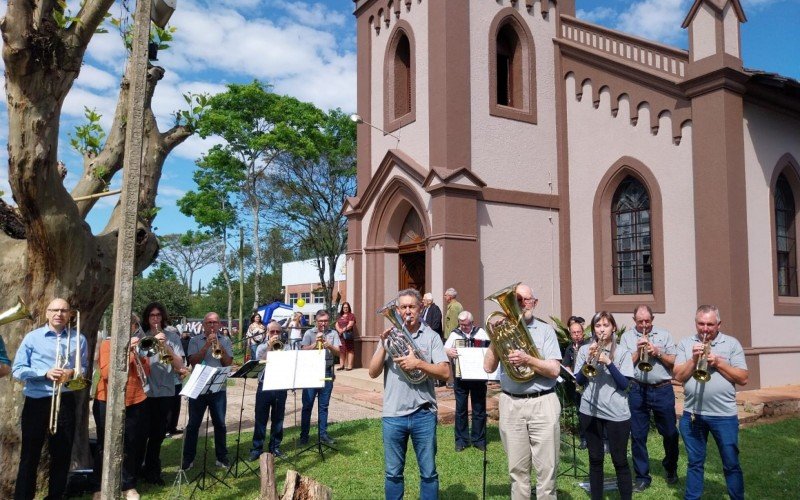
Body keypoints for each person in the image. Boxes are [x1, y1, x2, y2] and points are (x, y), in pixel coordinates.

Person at [368, 288, 450, 500]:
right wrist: (383, 347)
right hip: (393, 414)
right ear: (397, 310)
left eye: (412, 307)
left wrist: (418, 363)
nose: (407, 311)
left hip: (424, 413)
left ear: (420, 308)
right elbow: (372, 372)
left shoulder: (431, 336)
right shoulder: (390, 336)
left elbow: (445, 372)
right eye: (403, 307)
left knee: (429, 473)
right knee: (393, 474)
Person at [483, 284, 561, 500]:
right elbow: (488, 367)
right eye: (517, 300)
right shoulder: (503, 330)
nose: (522, 304)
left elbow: (554, 369)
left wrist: (528, 360)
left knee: (547, 470)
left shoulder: (546, 331)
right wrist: (495, 339)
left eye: (527, 300)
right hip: (511, 404)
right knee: (517, 471)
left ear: (534, 303)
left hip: (543, 402)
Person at [12, 298, 88, 500]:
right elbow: (17, 370)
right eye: (54, 310)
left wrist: (72, 371)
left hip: (65, 400)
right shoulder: (32, 338)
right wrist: (44, 373)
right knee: (29, 455)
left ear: (70, 314)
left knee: (62, 455)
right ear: (46, 313)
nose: (59, 314)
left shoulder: (78, 339)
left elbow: (84, 369)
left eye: (64, 310)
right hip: (37, 401)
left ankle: (56, 496)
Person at [673, 305, 748, 500]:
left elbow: (743, 378)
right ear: (696, 323)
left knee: (731, 463)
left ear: (718, 324)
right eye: (701, 324)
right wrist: (694, 359)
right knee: (695, 462)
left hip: (724, 416)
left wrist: (719, 363)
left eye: (710, 324)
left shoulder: (731, 344)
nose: (705, 329)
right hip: (693, 415)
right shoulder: (685, 343)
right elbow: (679, 376)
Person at [619, 305, 679, 491]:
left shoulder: (665, 335)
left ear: (653, 319)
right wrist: (638, 352)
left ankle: (670, 467)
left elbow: (674, 362)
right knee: (637, 435)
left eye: (647, 321)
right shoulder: (627, 337)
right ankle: (642, 476)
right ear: (634, 320)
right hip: (637, 389)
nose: (644, 325)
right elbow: (623, 365)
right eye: (640, 322)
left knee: (670, 433)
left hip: (662, 389)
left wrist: (657, 352)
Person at [574, 312, 633, 500]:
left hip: (616, 412)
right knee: (595, 459)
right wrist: (587, 360)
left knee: (620, 460)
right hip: (589, 410)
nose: (601, 329)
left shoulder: (622, 352)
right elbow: (579, 381)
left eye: (606, 325)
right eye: (597, 326)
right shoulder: (585, 349)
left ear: (613, 328)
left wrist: (608, 362)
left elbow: (625, 385)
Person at [92, 314, 149, 500]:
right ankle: (100, 486)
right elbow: (107, 373)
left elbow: (146, 373)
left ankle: (129, 485)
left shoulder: (139, 346)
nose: (127, 327)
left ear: (134, 327)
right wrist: (128, 353)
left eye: (132, 324)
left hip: (135, 398)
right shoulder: (107, 345)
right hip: (106, 399)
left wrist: (139, 353)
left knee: (131, 444)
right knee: (104, 444)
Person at [136, 302, 186, 484]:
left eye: (158, 315)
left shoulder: (172, 336)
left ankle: (152, 471)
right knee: (141, 434)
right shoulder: (140, 336)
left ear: (162, 317)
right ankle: (136, 470)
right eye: (151, 315)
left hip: (165, 390)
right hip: (144, 391)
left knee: (157, 435)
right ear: (147, 318)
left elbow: (180, 366)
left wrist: (167, 346)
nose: (155, 318)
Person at [182, 311, 234, 470]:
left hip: (218, 387)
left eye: (215, 322)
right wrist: (206, 345)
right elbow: (193, 362)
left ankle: (221, 457)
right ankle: (188, 459)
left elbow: (227, 363)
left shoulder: (225, 340)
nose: (212, 325)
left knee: (220, 424)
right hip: (199, 386)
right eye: (209, 322)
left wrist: (219, 346)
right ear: (204, 325)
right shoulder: (195, 340)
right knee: (193, 425)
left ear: (219, 325)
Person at [444, 310, 490, 451]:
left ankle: (479, 440)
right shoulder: (454, 334)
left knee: (479, 408)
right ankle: (461, 440)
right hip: (461, 376)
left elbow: (489, 348)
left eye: (466, 325)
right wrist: (448, 352)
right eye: (461, 324)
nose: (463, 327)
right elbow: (444, 348)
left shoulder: (481, 333)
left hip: (478, 377)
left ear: (472, 322)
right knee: (461, 409)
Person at [299, 309, 341, 445]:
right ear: (316, 321)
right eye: (321, 321)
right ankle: (304, 436)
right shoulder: (309, 333)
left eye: (326, 320)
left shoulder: (333, 333)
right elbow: (302, 350)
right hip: (310, 372)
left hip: (326, 371)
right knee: (307, 405)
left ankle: (323, 434)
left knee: (323, 406)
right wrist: (314, 344)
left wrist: (328, 345)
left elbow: (339, 353)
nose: (323, 323)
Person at [249, 321, 289, 460]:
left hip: (280, 386)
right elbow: (259, 362)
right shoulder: (261, 347)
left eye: (278, 332)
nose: (276, 335)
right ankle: (257, 448)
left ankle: (275, 447)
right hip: (264, 385)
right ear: (267, 333)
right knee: (260, 418)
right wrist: (269, 347)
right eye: (273, 332)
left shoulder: (286, 347)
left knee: (278, 419)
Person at [561, 315, 589, 448]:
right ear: (570, 334)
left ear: (583, 333)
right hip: (576, 384)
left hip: (589, 383)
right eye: (574, 333)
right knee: (580, 412)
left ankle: (603, 439)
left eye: (579, 332)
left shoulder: (589, 346)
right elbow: (566, 365)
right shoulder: (569, 349)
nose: (577, 335)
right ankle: (584, 439)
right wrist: (570, 373)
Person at [335, 302, 356, 371]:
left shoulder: (351, 315)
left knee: (350, 350)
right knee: (341, 351)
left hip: (348, 336)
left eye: (347, 307)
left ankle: (350, 366)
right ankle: (341, 365)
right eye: (344, 307)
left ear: (349, 308)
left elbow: (350, 324)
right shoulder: (339, 315)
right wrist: (339, 330)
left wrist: (343, 330)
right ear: (342, 308)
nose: (345, 309)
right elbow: (336, 324)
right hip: (341, 336)